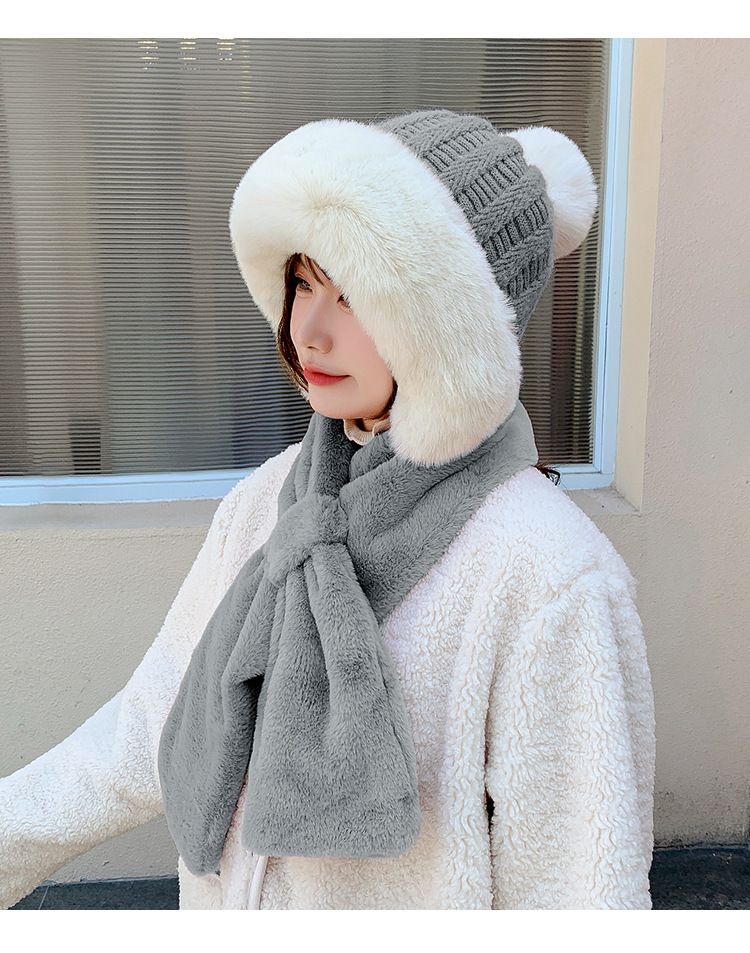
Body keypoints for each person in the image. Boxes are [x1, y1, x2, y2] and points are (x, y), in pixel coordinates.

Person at [0, 109, 655, 910]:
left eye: (355, 295)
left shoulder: (549, 575)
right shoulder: (270, 502)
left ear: (448, 326)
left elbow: (580, 891)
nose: (307, 330)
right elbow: (153, 719)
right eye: (304, 284)